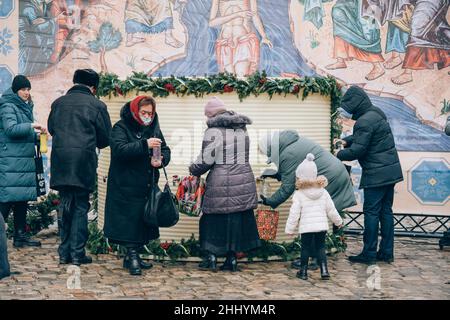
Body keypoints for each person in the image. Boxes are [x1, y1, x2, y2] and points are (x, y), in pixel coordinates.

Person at [258, 129, 356, 269]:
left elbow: (288, 187)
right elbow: (293, 172)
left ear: (271, 149)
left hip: (330, 178)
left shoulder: (287, 154)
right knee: (316, 219)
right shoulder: (291, 143)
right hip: (335, 172)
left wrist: (270, 201)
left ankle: (314, 260)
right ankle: (316, 258)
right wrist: (276, 175)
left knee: (313, 220)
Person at [48, 69, 112, 266]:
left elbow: (51, 129)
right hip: (83, 160)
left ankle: (64, 252)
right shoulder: (97, 105)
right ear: (93, 88)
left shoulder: (58, 103)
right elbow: (105, 138)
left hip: (61, 159)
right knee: (80, 206)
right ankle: (77, 253)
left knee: (65, 205)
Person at [189, 97, 260, 272]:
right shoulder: (241, 129)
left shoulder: (213, 131)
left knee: (212, 220)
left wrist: (193, 169)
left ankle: (211, 258)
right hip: (243, 180)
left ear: (212, 115)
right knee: (235, 220)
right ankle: (232, 259)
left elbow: (206, 160)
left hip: (221, 180)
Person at [103, 96, 171, 276]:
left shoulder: (153, 127)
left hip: (146, 184)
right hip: (125, 184)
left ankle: (134, 255)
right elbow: (119, 150)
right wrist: (144, 145)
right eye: (144, 113)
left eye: (150, 113)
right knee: (129, 222)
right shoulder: (121, 127)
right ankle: (131, 255)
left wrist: (162, 159)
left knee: (142, 221)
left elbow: (164, 149)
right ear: (135, 111)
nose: (148, 116)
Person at [336, 85, 403, 264]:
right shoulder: (376, 113)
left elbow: (358, 150)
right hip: (391, 171)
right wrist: (345, 141)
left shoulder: (363, 122)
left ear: (356, 106)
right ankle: (387, 252)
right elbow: (366, 135)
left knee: (371, 213)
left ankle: (369, 253)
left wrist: (337, 154)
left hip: (376, 175)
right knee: (386, 212)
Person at [0, 75, 46, 248]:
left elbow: (22, 133)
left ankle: (20, 236)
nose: (26, 93)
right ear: (15, 90)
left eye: (28, 89)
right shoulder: (7, 105)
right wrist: (32, 126)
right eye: (23, 89)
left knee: (21, 199)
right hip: (11, 160)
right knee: (6, 200)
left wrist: (37, 137)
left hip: (22, 159)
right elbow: (11, 129)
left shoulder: (23, 106)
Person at [285, 154, 343, 280]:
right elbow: (331, 209)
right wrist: (338, 222)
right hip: (321, 226)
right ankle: (324, 271)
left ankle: (303, 272)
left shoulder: (299, 194)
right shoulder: (323, 191)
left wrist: (289, 229)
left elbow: (294, 213)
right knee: (320, 247)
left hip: (306, 227)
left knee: (305, 248)